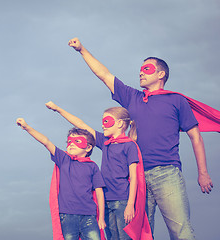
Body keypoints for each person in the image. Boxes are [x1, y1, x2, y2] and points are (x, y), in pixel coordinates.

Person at [68, 37, 217, 239]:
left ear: (161, 74)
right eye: (140, 69)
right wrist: (82, 50)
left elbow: (195, 137)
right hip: (136, 178)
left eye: (146, 69)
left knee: (181, 231)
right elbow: (104, 75)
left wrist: (203, 173)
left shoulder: (176, 100)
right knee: (139, 234)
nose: (140, 72)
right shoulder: (132, 97)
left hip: (167, 173)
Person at [46, 101, 152, 240]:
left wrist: (131, 204)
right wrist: (58, 109)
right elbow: (82, 125)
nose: (102, 125)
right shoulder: (104, 142)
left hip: (123, 200)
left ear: (120, 123)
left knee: (126, 237)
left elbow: (134, 177)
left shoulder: (129, 146)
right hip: (107, 201)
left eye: (106, 121)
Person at [16, 118, 106, 240]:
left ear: (88, 147)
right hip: (67, 216)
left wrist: (101, 217)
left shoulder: (93, 166)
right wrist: (27, 127)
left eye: (77, 141)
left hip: (89, 215)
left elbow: (99, 192)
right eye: (69, 141)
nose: (72, 144)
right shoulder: (63, 159)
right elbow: (46, 142)